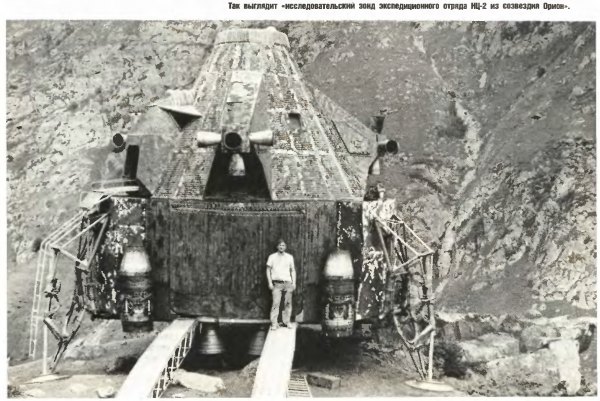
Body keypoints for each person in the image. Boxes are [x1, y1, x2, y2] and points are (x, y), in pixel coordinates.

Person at [266, 239, 296, 330]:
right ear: (277, 247)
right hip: (277, 283)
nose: (281, 247)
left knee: (288, 303)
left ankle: (287, 322)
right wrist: (270, 282)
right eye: (280, 245)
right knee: (276, 303)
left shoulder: (289, 257)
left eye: (283, 245)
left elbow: (292, 270)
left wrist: (294, 282)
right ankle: (274, 323)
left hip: (287, 283)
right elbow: (268, 270)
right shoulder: (272, 257)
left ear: (285, 247)